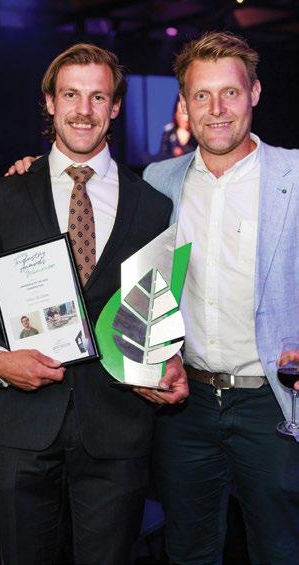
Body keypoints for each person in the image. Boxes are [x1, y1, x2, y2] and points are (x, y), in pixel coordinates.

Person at [0, 43, 188, 565]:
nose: (83, 110)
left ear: (115, 106)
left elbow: (157, 308)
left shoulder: (152, 206)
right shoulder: (3, 196)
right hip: (21, 427)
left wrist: (168, 354)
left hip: (118, 427)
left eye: (98, 97)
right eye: (70, 95)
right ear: (49, 102)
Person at [143, 31, 299, 564]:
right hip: (184, 405)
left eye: (229, 92)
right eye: (201, 95)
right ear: (185, 103)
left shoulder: (294, 175)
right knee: (188, 550)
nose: (216, 109)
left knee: (280, 550)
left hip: (272, 404)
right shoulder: (159, 180)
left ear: (253, 92)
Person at [157, 96, 196, 160]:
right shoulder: (169, 132)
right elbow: (162, 157)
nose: (186, 118)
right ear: (175, 114)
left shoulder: (198, 134)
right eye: (182, 113)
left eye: (188, 113)